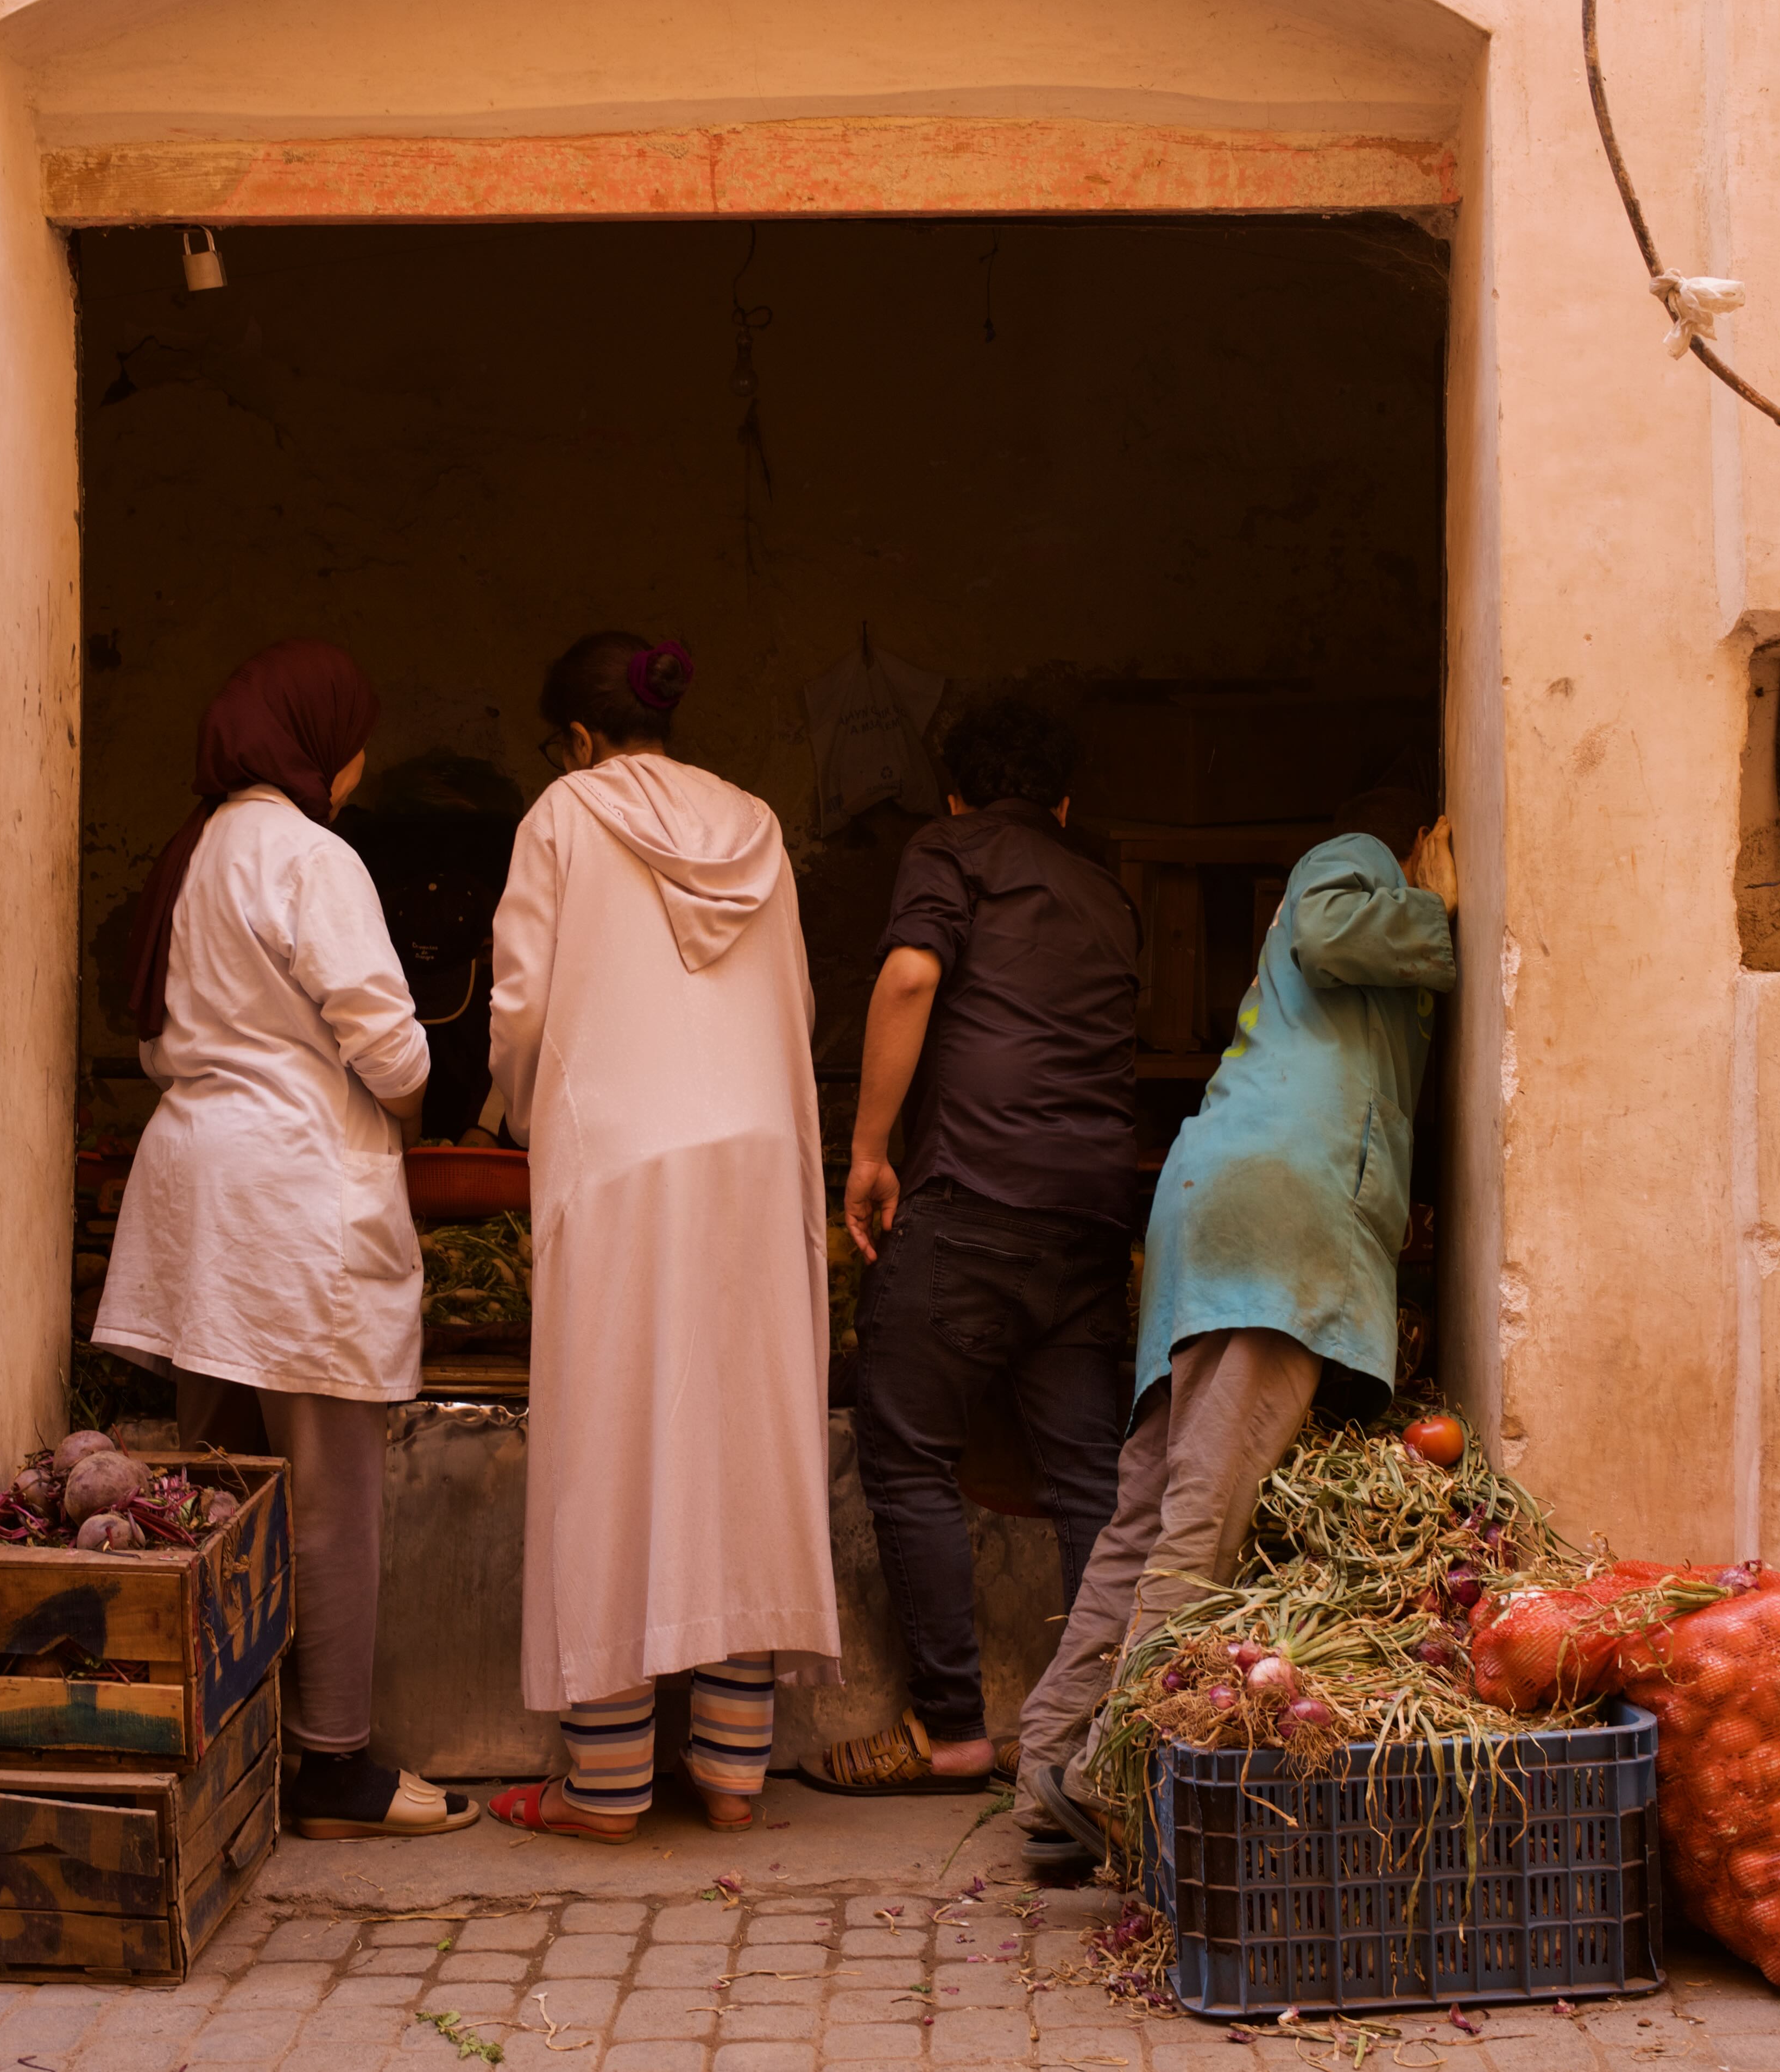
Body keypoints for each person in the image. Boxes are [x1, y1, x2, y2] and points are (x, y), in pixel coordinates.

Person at [93, 637, 478, 1842]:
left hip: (197, 1187)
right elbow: (394, 1049)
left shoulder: (196, 850)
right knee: (330, 1496)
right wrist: (418, 1093)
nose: (360, 761)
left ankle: (222, 1738)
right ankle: (335, 1765)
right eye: (352, 736)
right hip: (290, 1197)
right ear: (314, 747)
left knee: (217, 1484)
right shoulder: (311, 855)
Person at [1020, 817, 1460, 1865]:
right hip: (1272, 1214)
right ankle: (1111, 1770)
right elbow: (1327, 922)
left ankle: (1045, 1760)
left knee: (1147, 1505)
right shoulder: (1355, 862)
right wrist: (1434, 901)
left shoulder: (1335, 995)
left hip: (1215, 1209)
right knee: (1201, 1511)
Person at [480, 632, 843, 1843]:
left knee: (610, 1449)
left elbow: (521, 1002)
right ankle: (735, 1772)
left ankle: (607, 1783)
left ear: (578, 736)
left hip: (622, 1169)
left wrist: (511, 1111)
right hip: (751, 1160)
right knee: (741, 1449)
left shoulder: (563, 813)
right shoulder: (754, 821)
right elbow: (793, 1001)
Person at [798, 699, 1142, 1796]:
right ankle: (1104, 1730)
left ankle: (949, 1728)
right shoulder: (1107, 889)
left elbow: (907, 976)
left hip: (971, 1198)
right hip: (1089, 1214)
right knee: (1090, 1475)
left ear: (953, 791)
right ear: (1065, 799)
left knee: (905, 1449)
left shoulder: (948, 847)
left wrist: (863, 1151)